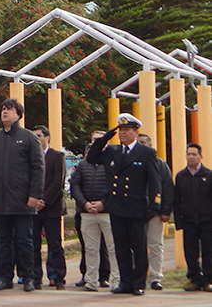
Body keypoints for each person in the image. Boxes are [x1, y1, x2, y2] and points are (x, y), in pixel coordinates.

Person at [87, 113, 161, 296]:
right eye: (120, 130)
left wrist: (155, 205)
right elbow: (92, 157)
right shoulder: (112, 151)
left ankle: (138, 283)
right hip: (117, 206)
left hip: (137, 208)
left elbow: (155, 182)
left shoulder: (147, 152)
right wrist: (106, 136)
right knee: (120, 248)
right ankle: (125, 282)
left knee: (138, 248)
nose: (122, 134)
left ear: (136, 133)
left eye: (127, 130)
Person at [0, 98, 44, 292]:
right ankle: (5, 277)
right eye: (3, 109)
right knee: (3, 241)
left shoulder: (29, 137)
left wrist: (34, 194)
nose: (4, 112)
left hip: (23, 201)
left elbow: (38, 168)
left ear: (18, 115)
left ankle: (28, 277)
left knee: (24, 241)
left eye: (9, 109)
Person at [70, 133, 120, 291]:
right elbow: (75, 185)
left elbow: (115, 185)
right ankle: (90, 281)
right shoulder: (83, 164)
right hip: (87, 213)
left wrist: (103, 204)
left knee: (113, 249)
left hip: (107, 213)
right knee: (90, 249)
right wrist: (85, 204)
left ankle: (116, 281)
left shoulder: (112, 163)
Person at [30, 125, 67, 290]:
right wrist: (34, 200)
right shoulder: (28, 158)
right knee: (33, 245)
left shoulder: (57, 156)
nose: (36, 139)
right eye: (33, 137)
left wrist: (44, 200)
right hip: (32, 208)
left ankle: (57, 277)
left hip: (51, 207)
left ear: (47, 137)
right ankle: (35, 278)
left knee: (55, 244)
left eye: (38, 136)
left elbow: (58, 183)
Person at [136, 132, 173, 291]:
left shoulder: (160, 164)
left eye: (144, 142)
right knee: (137, 247)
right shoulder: (131, 162)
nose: (141, 145)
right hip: (136, 212)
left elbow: (167, 188)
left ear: (150, 146)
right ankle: (138, 277)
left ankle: (156, 277)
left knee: (156, 245)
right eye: (139, 143)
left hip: (156, 213)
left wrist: (165, 211)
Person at [174, 143, 212, 291]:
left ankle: (208, 279)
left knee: (208, 251)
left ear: (200, 157)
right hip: (189, 221)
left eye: (194, 154)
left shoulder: (208, 175)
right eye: (188, 154)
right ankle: (194, 279)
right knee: (190, 251)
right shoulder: (181, 176)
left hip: (207, 221)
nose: (191, 157)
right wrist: (179, 221)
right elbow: (177, 201)